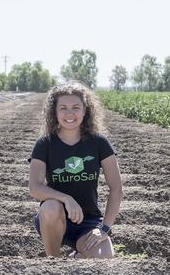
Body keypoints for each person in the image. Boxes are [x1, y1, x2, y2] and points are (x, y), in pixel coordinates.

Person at [28, 82, 123, 258]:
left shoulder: (99, 143)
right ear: (54, 112)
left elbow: (116, 189)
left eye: (75, 107)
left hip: (88, 222)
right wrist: (66, 199)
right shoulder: (44, 144)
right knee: (50, 206)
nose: (70, 113)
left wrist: (104, 228)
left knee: (104, 259)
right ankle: (53, 261)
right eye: (63, 107)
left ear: (85, 110)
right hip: (55, 220)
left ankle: (75, 258)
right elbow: (34, 188)